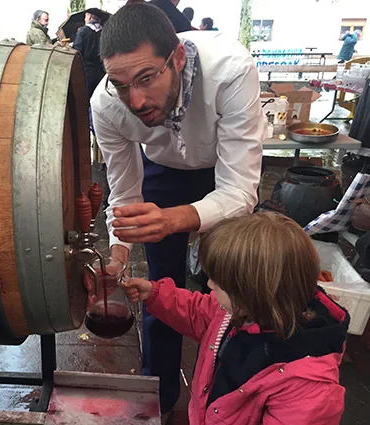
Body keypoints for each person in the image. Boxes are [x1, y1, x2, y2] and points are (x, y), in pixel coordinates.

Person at [91, 2, 265, 421]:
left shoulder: (231, 69)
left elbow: (239, 189)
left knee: (236, 291)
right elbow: (125, 192)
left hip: (222, 168)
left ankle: (233, 397)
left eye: (146, 78)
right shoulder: (107, 104)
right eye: (120, 84)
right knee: (160, 290)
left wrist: (173, 219)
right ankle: (161, 399)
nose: (136, 100)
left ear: (178, 58)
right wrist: (117, 257)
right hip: (161, 173)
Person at [123, 212, 349, 425]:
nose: (209, 284)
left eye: (218, 282)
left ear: (253, 292)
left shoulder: (305, 388)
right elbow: (198, 312)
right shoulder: (237, 311)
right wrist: (155, 294)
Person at [73, 8, 106, 98]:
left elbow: (77, 52)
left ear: (89, 16)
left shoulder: (83, 31)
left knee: (85, 98)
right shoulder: (105, 32)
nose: (84, 19)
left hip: (86, 72)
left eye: (85, 17)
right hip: (102, 72)